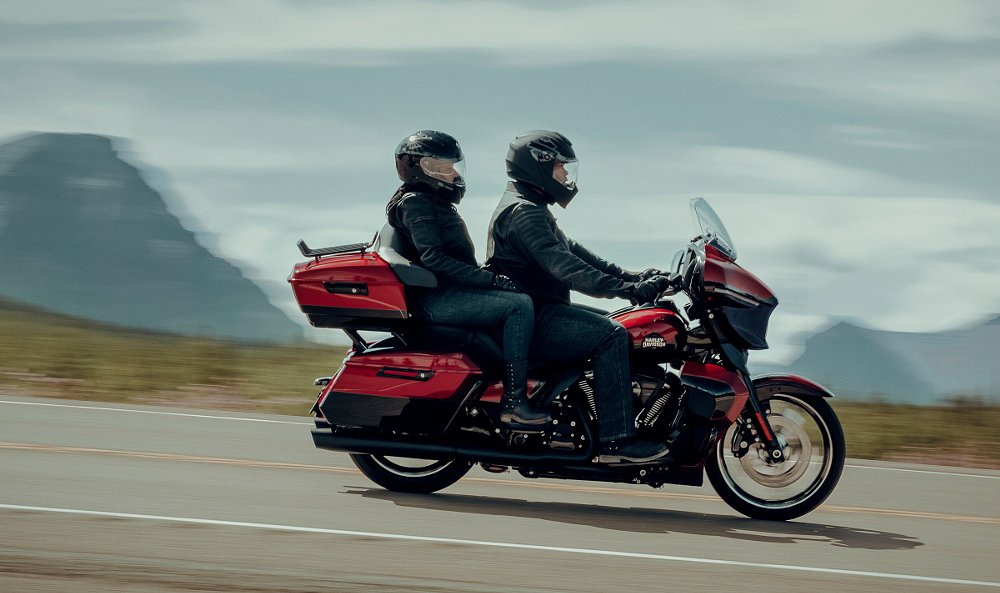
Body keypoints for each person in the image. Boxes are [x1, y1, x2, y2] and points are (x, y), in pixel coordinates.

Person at [486, 130, 671, 463]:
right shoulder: (525, 213)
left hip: (543, 310)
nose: (566, 175)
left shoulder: (530, 207)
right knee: (611, 336)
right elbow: (566, 267)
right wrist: (627, 290)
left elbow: (578, 253)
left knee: (618, 325)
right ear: (538, 166)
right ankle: (617, 441)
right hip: (536, 317)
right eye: (560, 167)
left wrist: (633, 277)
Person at [386, 130, 550, 429]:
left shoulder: (431, 202)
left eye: (453, 167)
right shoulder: (416, 203)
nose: (451, 174)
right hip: (436, 300)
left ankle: (489, 406)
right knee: (518, 306)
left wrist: (492, 275)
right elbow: (434, 258)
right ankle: (514, 401)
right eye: (442, 168)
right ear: (418, 168)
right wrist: (491, 280)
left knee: (517, 300)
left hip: (445, 292)